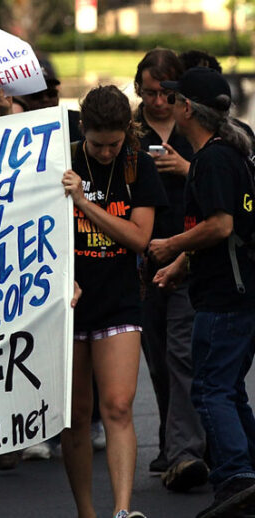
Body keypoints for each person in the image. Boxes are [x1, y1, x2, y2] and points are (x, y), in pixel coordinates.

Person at [148, 66, 255, 518]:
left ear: (186, 107)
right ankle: (246, 472)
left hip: (225, 299)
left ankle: (234, 477)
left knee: (210, 390)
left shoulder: (212, 159)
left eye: (172, 98)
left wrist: (171, 244)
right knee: (230, 389)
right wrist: (179, 265)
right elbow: (224, 231)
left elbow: (221, 225)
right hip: (238, 291)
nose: (166, 105)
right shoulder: (234, 153)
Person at [61, 85, 167, 518]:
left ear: (127, 132)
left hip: (120, 300)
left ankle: (122, 510)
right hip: (67, 302)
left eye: (115, 144)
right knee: (76, 417)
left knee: (118, 405)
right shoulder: (61, 158)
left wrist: (84, 203)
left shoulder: (137, 165)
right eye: (98, 145)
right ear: (83, 129)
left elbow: (140, 239)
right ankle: (87, 512)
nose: (106, 153)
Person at [133, 48, 209, 490]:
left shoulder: (193, 128)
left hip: (187, 256)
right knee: (158, 360)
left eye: (165, 93)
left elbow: (224, 172)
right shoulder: (130, 131)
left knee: (183, 355)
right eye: (148, 93)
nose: (157, 102)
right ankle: (172, 440)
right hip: (141, 261)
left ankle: (185, 452)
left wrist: (185, 168)